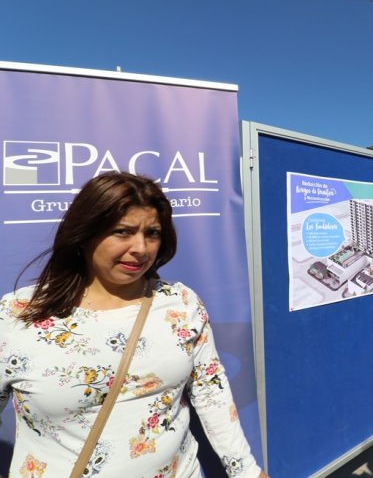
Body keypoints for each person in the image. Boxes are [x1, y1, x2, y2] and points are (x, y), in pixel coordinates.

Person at [0, 172, 269, 477]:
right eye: (122, 231)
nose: (141, 248)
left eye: (152, 233)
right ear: (84, 234)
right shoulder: (17, 314)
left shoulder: (180, 302)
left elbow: (211, 391)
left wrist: (246, 470)